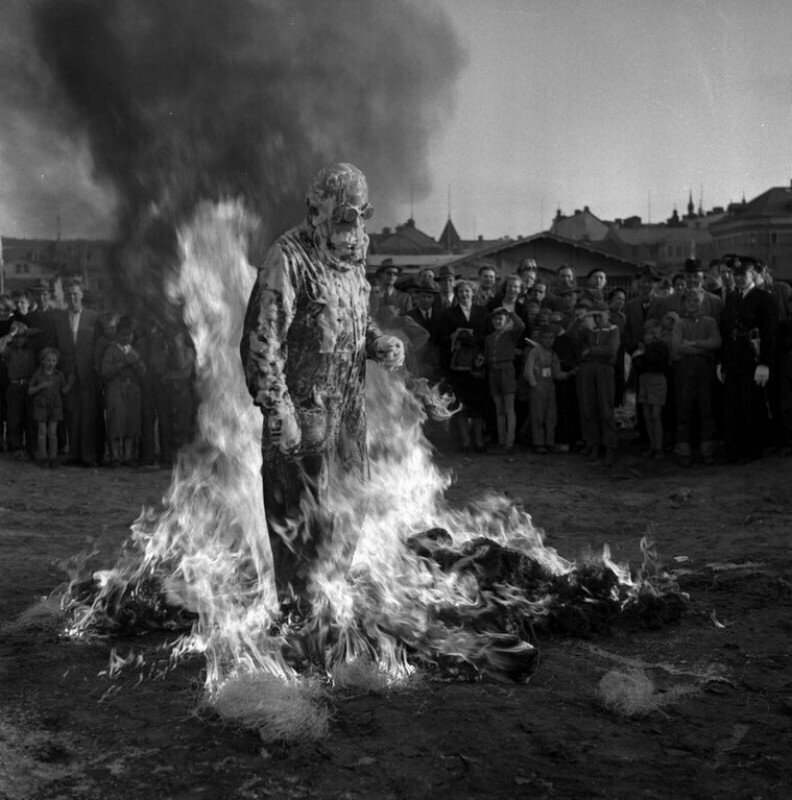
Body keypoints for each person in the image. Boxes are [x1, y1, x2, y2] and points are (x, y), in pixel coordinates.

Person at [240, 162, 404, 606]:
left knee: (348, 518)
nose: (353, 228)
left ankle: (328, 615)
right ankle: (297, 638)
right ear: (316, 211)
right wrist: (279, 412)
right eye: (343, 217)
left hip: (348, 420)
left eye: (360, 217)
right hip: (303, 422)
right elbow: (262, 341)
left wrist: (377, 342)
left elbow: (353, 318)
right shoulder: (287, 257)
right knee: (300, 532)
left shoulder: (352, 259)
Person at [718, 258, 777, 463]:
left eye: (744, 274)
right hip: (734, 357)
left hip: (753, 357)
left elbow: (770, 333)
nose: (739, 278)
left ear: (753, 275)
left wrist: (765, 363)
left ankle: (753, 449)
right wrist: (722, 362)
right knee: (733, 404)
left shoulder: (764, 298)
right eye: (737, 275)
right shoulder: (733, 298)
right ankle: (734, 448)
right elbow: (726, 332)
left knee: (751, 404)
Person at [671, 288, 721, 466]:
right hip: (685, 367)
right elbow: (677, 346)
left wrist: (694, 343)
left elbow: (716, 342)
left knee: (706, 406)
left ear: (703, 303)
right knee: (684, 406)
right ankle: (684, 449)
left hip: (705, 367)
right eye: (689, 301)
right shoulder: (680, 323)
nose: (693, 304)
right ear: (684, 303)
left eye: (696, 301)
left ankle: (707, 449)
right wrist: (702, 347)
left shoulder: (710, 322)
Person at [54, 278, 101, 467]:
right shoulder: (59, 319)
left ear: (82, 294)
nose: (72, 297)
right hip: (68, 372)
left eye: (75, 293)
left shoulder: (94, 317)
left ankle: (88, 456)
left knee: (88, 414)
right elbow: (56, 345)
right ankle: (73, 454)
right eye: (69, 294)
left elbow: (99, 345)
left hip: (88, 372)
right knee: (71, 414)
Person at [438, 280, 488, 453]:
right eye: (460, 291)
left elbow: (488, 335)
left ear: (473, 293)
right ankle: (466, 441)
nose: (464, 294)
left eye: (467, 291)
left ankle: (479, 441)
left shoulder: (482, 312)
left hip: (477, 363)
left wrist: (475, 339)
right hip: (457, 365)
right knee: (461, 402)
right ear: (456, 294)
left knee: (478, 403)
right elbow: (442, 338)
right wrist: (456, 337)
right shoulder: (449, 313)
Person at [576, 301, 620, 466]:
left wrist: (591, 351)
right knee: (589, 408)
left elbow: (611, 351)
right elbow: (573, 338)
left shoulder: (613, 329)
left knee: (605, 408)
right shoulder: (588, 330)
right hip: (587, 370)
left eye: (599, 315)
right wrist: (583, 318)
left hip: (604, 371)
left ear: (607, 314)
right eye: (593, 315)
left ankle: (609, 446)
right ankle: (593, 444)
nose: (597, 318)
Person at [102, 316, 146, 466]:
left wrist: (138, 365)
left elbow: (143, 373)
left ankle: (128, 456)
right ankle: (114, 456)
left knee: (131, 422)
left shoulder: (135, 352)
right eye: (123, 334)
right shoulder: (111, 350)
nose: (127, 337)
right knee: (116, 422)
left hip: (133, 390)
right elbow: (105, 372)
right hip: (116, 389)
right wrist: (122, 364)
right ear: (117, 334)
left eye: (129, 334)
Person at [524, 326, 572, 454]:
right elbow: (528, 372)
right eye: (547, 338)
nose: (549, 340)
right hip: (538, 386)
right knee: (537, 416)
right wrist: (534, 385)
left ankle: (549, 442)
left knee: (551, 416)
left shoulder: (553, 354)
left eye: (552, 338)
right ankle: (538, 443)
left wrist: (569, 374)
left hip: (550, 386)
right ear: (541, 338)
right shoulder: (534, 352)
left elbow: (556, 373)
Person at [484, 307, 525, 453]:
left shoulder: (510, 335)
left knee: (509, 409)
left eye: (500, 318)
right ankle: (501, 441)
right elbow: (487, 356)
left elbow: (521, 326)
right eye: (495, 319)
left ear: (506, 321)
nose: (497, 321)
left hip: (507, 371)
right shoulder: (489, 338)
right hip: (493, 372)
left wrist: (510, 312)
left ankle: (509, 442)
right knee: (499, 409)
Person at [631, 320, 669, 460]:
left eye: (653, 333)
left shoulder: (661, 346)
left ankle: (658, 447)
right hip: (644, 380)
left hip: (657, 379)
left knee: (656, 415)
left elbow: (655, 360)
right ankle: (652, 445)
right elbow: (637, 364)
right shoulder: (642, 347)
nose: (650, 336)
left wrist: (644, 352)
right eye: (648, 333)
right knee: (647, 414)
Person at [28, 346, 71, 468]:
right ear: (42, 360)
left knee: (52, 432)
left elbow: (64, 390)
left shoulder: (59, 375)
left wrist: (70, 384)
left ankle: (53, 457)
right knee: (42, 432)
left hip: (55, 406)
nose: (50, 363)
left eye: (53, 360)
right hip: (41, 406)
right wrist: (40, 386)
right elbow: (30, 390)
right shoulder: (38, 374)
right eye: (48, 360)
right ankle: (43, 456)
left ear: (57, 362)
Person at [0, 320, 36, 458]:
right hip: (14, 386)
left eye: (22, 336)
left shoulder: (31, 349)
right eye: (17, 337)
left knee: (30, 417)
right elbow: (0, 346)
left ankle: (32, 447)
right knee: (14, 417)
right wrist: (11, 334)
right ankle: (16, 446)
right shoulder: (9, 351)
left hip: (28, 386)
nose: (19, 339)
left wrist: (26, 331)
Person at [369, 259, 412, 325]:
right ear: (380, 274)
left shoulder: (405, 298)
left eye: (395, 274)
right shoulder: (371, 296)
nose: (392, 276)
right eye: (389, 273)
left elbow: (408, 322)